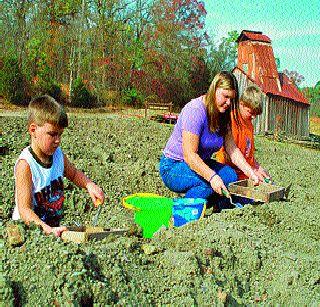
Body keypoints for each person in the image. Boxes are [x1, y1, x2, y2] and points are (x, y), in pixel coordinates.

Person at [159, 71, 261, 207]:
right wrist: (212, 177)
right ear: (214, 89)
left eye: (232, 99)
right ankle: (182, 212)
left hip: (201, 163)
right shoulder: (195, 111)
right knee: (207, 182)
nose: (228, 103)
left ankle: (212, 206)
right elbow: (190, 156)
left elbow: (232, 150)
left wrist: (250, 172)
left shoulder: (223, 115)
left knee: (230, 176)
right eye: (225, 97)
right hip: (174, 166)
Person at [12, 95, 105, 237]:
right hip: (29, 233)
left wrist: (89, 185)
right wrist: (46, 229)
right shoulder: (26, 165)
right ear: (33, 130)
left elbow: (73, 174)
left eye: (60, 135)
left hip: (51, 228)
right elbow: (25, 210)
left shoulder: (58, 155)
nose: (57, 141)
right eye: (52, 134)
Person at [216, 85, 270, 180]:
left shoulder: (249, 125)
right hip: (230, 170)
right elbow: (229, 155)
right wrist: (251, 170)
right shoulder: (231, 121)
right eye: (250, 112)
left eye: (256, 114)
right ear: (241, 104)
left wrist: (257, 167)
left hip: (246, 171)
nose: (253, 117)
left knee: (266, 179)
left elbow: (248, 153)